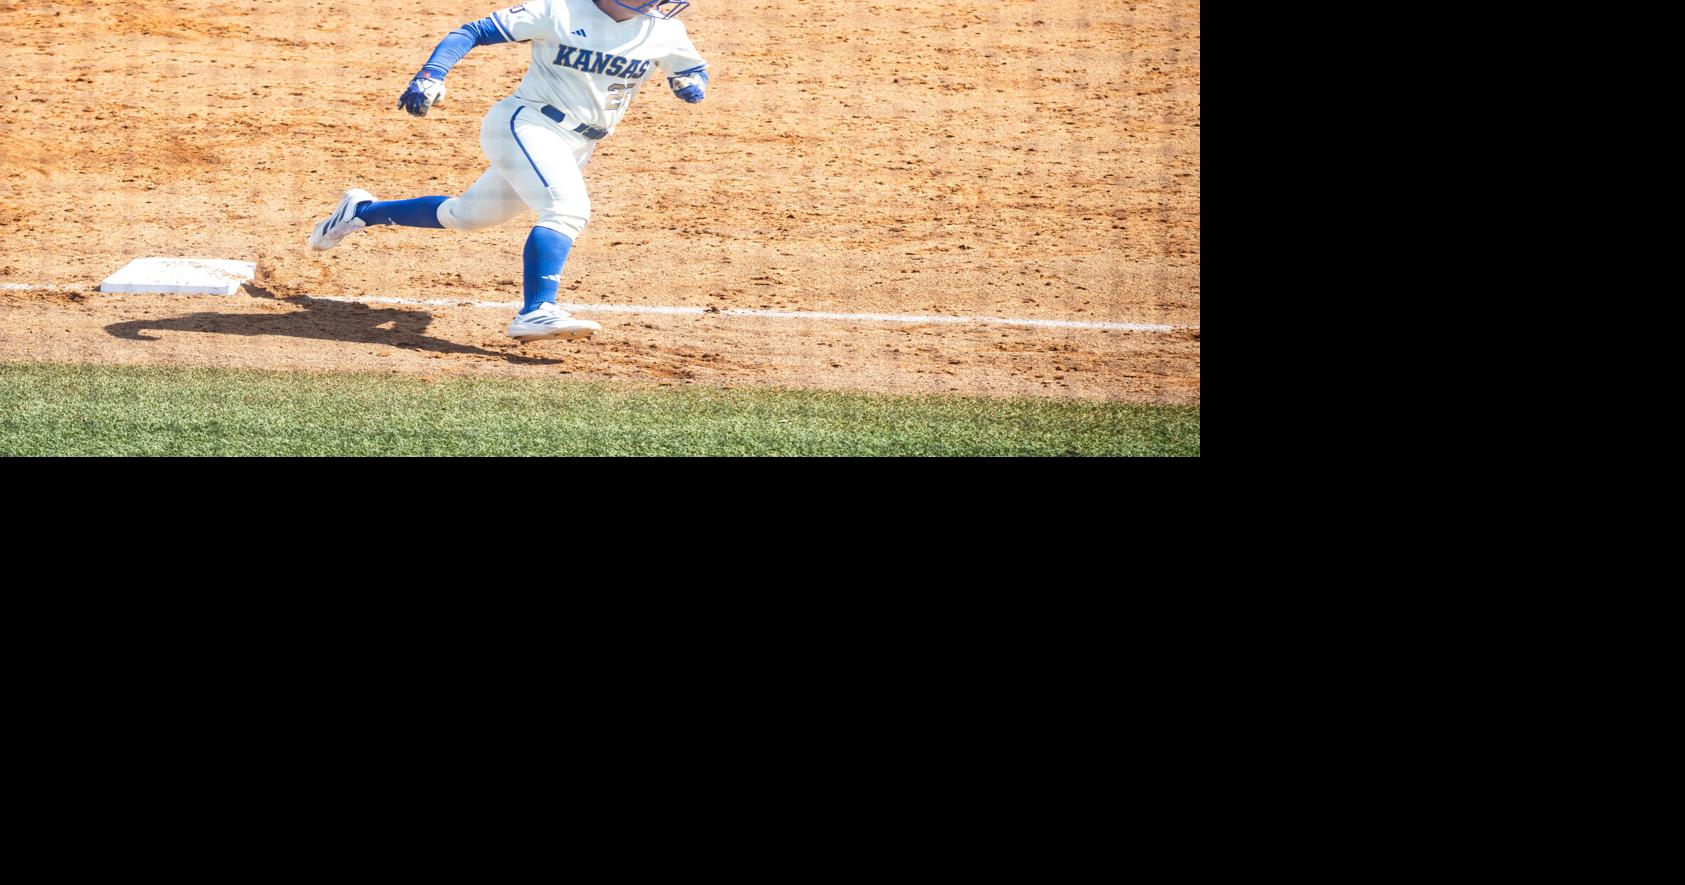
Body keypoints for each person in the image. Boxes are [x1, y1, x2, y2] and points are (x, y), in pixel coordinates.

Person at [308, 0, 710, 343]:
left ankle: (360, 212)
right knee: (567, 209)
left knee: (467, 215)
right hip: (526, 124)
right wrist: (431, 74)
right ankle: (537, 310)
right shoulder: (558, 10)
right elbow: (472, 31)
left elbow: (690, 67)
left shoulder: (665, 29)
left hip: (580, 144)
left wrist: (691, 82)